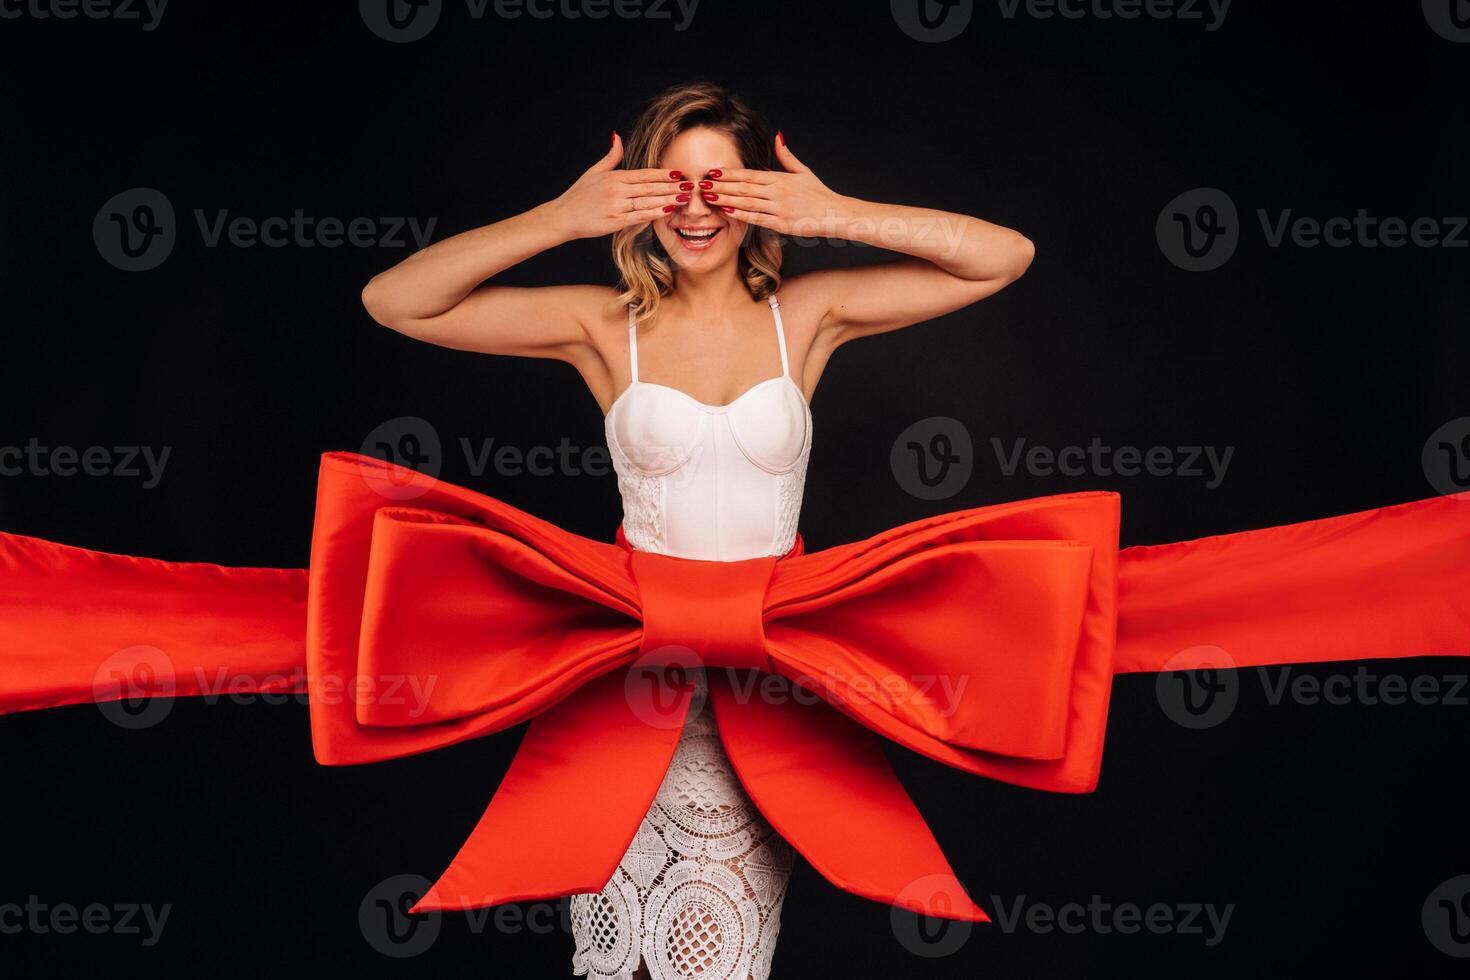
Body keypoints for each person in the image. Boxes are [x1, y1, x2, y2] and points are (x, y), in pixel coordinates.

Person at [360, 80, 1035, 980]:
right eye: (670, 184)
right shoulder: (603, 325)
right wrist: (560, 218)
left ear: (760, 196)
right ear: (637, 198)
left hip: (765, 694)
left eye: (722, 184)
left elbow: (1003, 256)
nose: (695, 208)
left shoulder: (809, 316)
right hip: (629, 690)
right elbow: (396, 300)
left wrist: (836, 212)